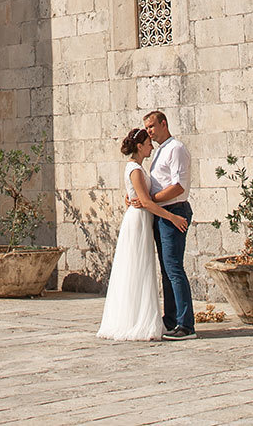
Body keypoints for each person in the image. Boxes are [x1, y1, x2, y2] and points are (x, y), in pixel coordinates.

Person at [96, 127, 190, 341]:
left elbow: (139, 196)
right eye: (148, 143)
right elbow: (146, 201)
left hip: (142, 218)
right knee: (139, 268)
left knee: (141, 268)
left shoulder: (137, 167)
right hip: (139, 220)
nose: (151, 146)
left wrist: (132, 198)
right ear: (140, 146)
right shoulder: (136, 169)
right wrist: (172, 217)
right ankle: (140, 320)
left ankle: (150, 317)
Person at [141, 109, 196, 339]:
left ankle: (186, 324)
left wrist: (151, 200)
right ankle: (171, 319)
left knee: (174, 267)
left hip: (173, 210)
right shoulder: (160, 152)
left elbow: (178, 186)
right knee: (166, 269)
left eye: (152, 126)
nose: (149, 132)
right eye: (146, 128)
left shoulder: (176, 149)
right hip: (162, 213)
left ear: (164, 124)